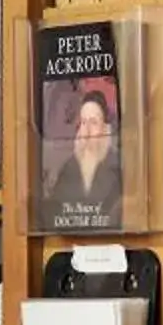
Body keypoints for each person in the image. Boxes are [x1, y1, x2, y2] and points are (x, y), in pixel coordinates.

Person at [40, 87, 123, 227]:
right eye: (83, 123)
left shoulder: (118, 166)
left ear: (105, 128)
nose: (87, 131)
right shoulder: (69, 167)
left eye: (93, 123)